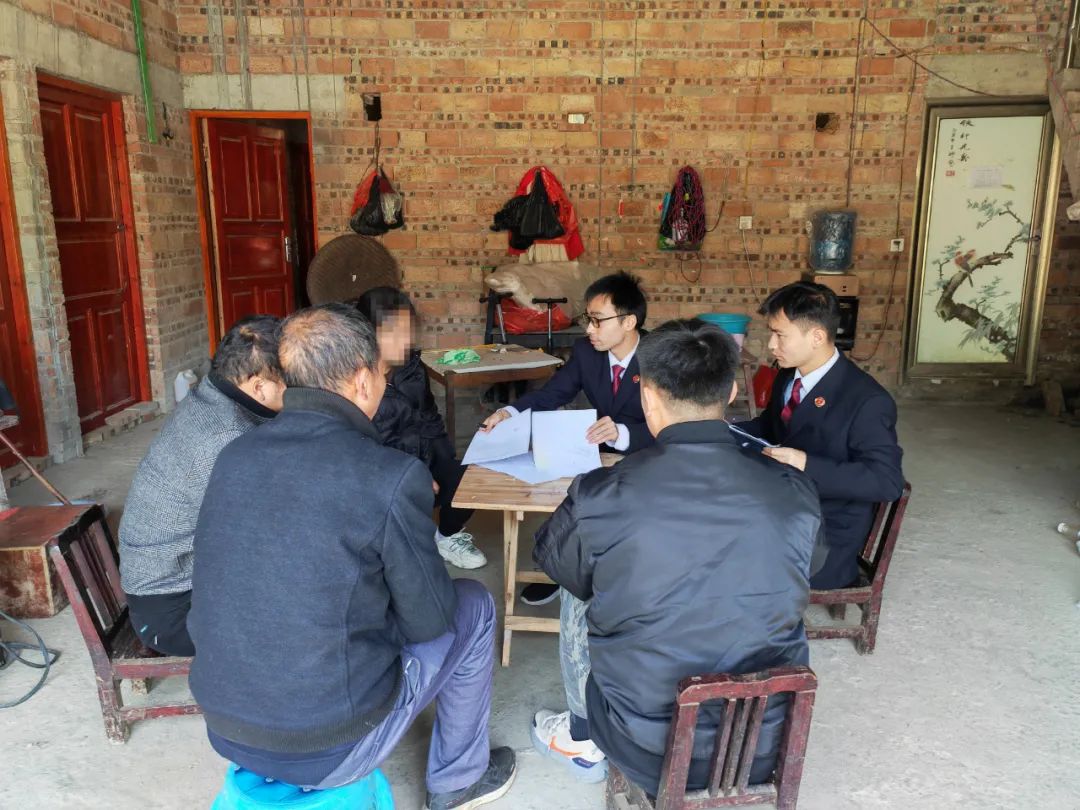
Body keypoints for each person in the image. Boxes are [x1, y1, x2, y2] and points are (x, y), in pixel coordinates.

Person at [188, 304, 515, 810]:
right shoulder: (389, 475)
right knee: (473, 605)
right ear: (363, 381)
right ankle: (458, 780)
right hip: (329, 745)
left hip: (226, 723)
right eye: (382, 374)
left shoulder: (234, 455)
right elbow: (429, 621)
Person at [529, 319, 825, 792]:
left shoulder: (602, 493)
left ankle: (582, 738)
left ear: (647, 396)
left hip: (646, 746)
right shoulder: (792, 487)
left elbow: (560, 565)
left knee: (580, 587)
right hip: (766, 740)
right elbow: (812, 565)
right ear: (731, 393)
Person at [480, 271, 652, 605]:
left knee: (619, 511)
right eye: (588, 319)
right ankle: (561, 570)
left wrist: (624, 433)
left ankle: (614, 580)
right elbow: (552, 394)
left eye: (598, 321)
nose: (589, 329)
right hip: (601, 451)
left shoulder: (660, 356)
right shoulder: (587, 353)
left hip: (649, 453)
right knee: (571, 495)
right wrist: (510, 413)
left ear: (629, 321)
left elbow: (677, 423)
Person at [118, 315, 284, 656]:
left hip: (170, 588)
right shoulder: (227, 436)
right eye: (291, 383)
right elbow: (254, 538)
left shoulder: (212, 393)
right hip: (175, 611)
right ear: (259, 387)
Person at [736, 282, 904, 589]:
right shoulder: (789, 375)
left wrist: (805, 463)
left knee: (725, 555)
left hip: (826, 535)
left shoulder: (867, 401)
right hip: (784, 506)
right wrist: (719, 429)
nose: (771, 345)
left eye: (780, 335)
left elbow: (886, 482)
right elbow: (770, 427)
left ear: (816, 337)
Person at [354, 287, 485, 570]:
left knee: (471, 479)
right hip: (383, 474)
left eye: (408, 330)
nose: (405, 339)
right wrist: (414, 475)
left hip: (421, 456)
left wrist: (443, 462)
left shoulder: (412, 367)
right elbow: (364, 448)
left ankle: (447, 536)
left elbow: (429, 417)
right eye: (394, 332)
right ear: (369, 333)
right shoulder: (354, 380)